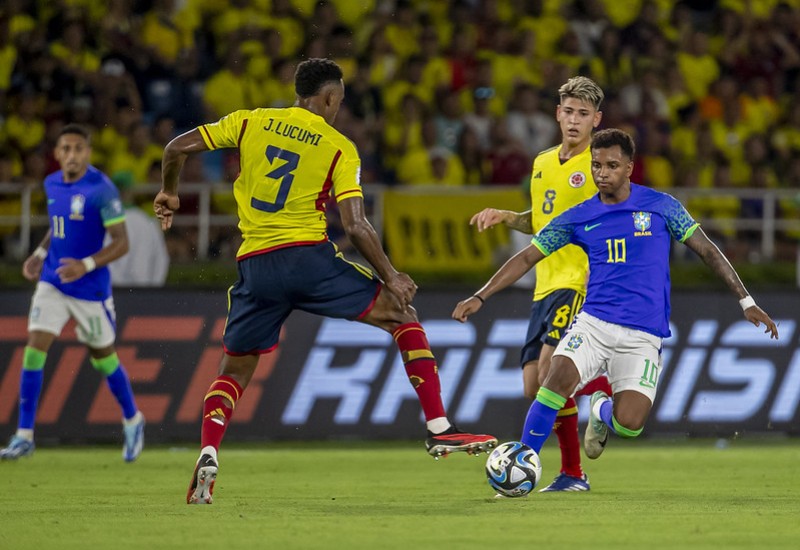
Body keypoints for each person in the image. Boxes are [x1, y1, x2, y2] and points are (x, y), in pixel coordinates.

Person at [153, 58, 498, 505]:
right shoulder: (339, 146)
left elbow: (176, 148)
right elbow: (355, 225)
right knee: (401, 316)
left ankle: (208, 452)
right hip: (308, 260)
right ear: (330, 98)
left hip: (256, 266)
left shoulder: (251, 121)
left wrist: (170, 191)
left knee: (234, 369)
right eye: (339, 101)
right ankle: (439, 430)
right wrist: (390, 275)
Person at [453, 128, 779, 476]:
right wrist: (480, 295)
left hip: (643, 335)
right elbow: (526, 258)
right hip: (594, 324)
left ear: (629, 168)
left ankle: (601, 411)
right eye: (596, 165)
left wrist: (746, 301)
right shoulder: (579, 216)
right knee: (554, 379)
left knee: (629, 424)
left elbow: (709, 252)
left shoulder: (662, 206)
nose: (601, 173)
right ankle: (523, 462)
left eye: (611, 166)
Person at [469, 76, 612, 492]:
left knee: (551, 372)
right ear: (557, 113)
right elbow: (541, 221)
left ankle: (600, 406)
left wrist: (599, 269)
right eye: (568, 111)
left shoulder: (599, 166)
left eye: (583, 114)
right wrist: (506, 216)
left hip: (579, 280)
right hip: (544, 284)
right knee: (535, 386)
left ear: (596, 120)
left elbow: (610, 223)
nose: (574, 120)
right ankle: (574, 469)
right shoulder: (543, 161)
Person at [0, 124, 145, 462]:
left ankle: (133, 419)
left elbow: (122, 243)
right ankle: (24, 436)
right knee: (34, 349)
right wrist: (39, 255)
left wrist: (86, 265)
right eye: (66, 148)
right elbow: (59, 224)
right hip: (52, 280)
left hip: (89, 289)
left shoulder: (101, 189)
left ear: (88, 153)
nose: (72, 155)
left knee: (103, 357)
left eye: (79, 148)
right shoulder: (51, 183)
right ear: (57, 153)